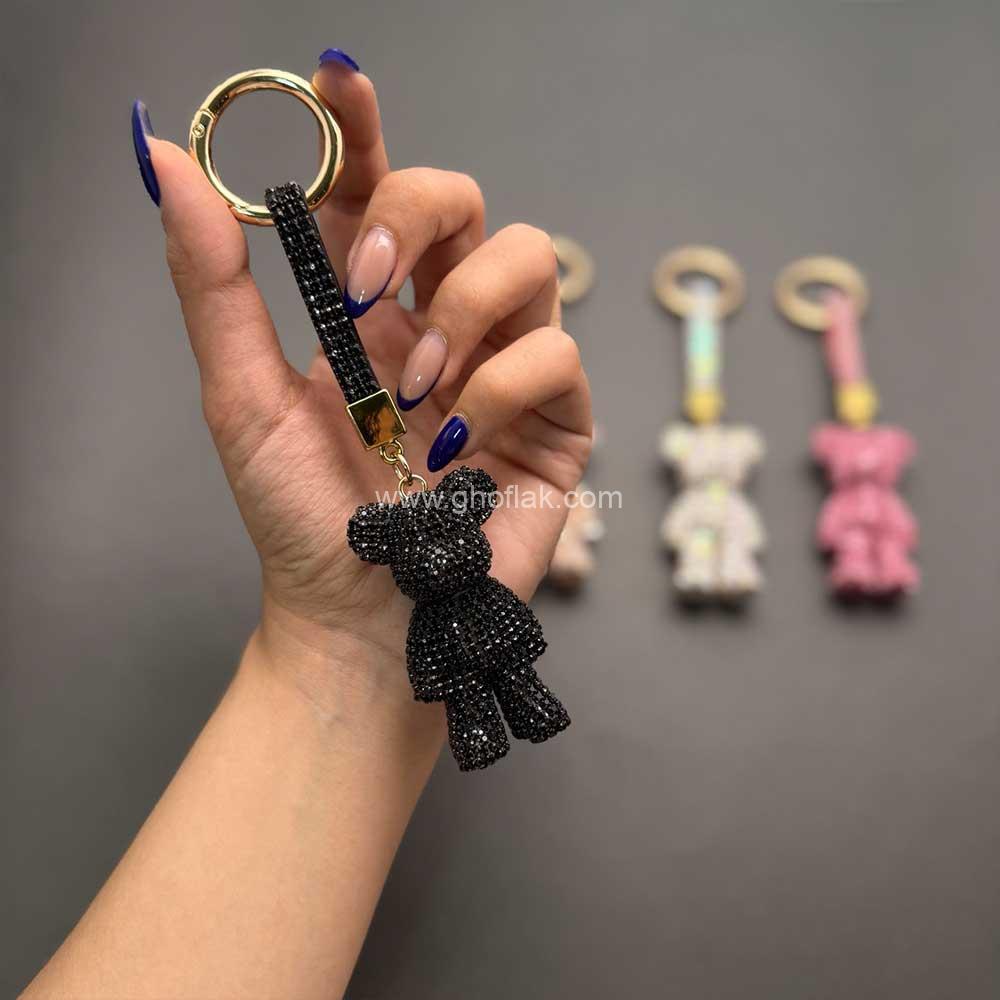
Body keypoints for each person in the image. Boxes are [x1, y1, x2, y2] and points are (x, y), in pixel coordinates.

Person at [22, 49, 591, 999]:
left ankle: (515, 711)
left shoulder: (443, 509)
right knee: (473, 693)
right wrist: (341, 650)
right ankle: (482, 724)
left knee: (511, 676)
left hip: (460, 609)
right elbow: (382, 545)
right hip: (434, 618)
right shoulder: (403, 528)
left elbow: (458, 515)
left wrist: (344, 660)